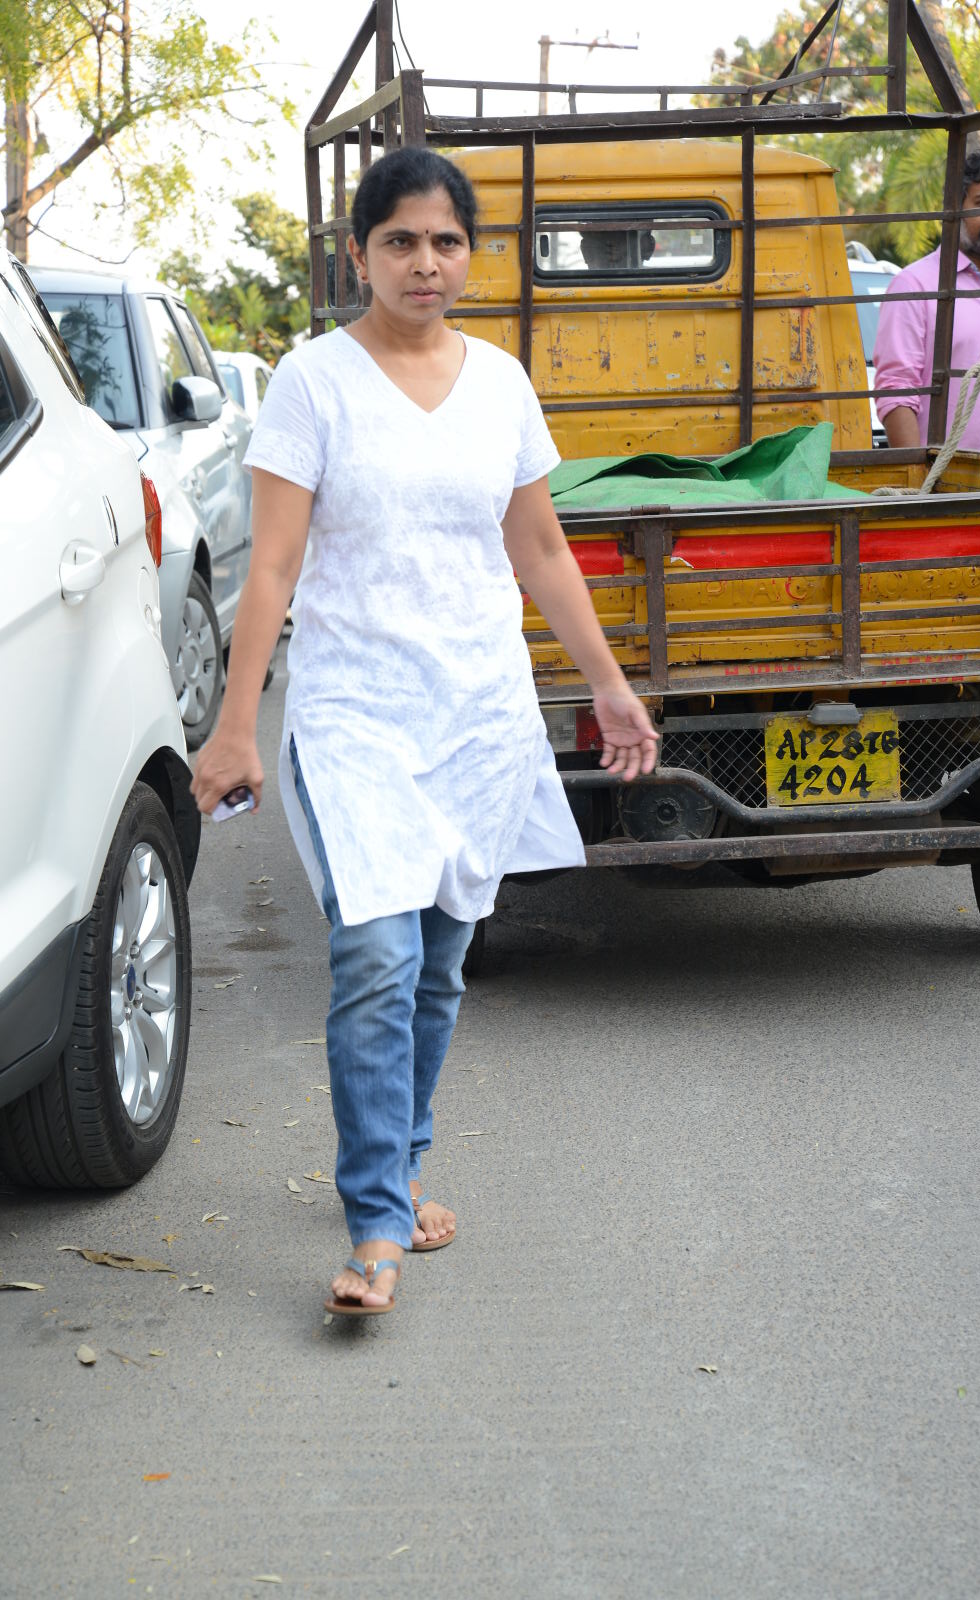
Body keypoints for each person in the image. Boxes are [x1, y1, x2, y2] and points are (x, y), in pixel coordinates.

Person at [190, 147, 658, 1317]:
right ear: (359, 253)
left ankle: (401, 1160)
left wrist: (605, 684)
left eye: (445, 241)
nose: (424, 262)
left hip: (478, 711)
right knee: (377, 958)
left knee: (442, 964)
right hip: (353, 711)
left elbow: (539, 548)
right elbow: (275, 564)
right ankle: (373, 1224)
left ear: (468, 252)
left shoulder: (500, 381)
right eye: (399, 240)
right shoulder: (313, 380)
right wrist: (235, 723)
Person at [873, 147, 980, 454]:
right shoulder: (915, 285)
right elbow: (896, 390)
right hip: (946, 488)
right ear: (957, 207)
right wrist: (919, 486)